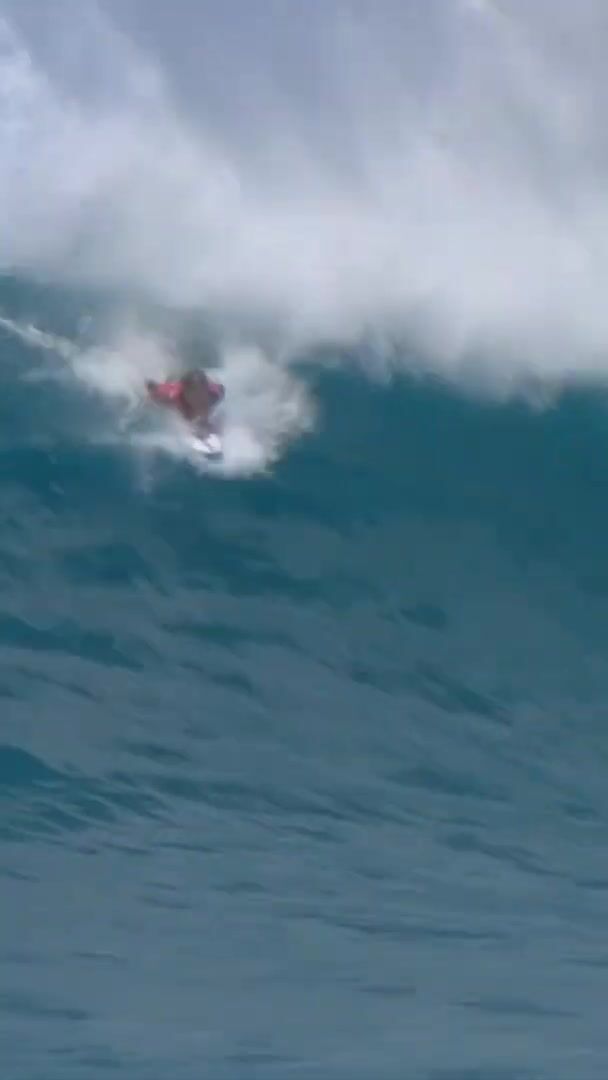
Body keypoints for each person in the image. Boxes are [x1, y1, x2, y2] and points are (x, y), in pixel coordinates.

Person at [146, 370, 225, 433]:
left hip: (201, 385)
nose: (198, 398)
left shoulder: (214, 395)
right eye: (194, 395)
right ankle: (172, 377)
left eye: (201, 393)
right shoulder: (174, 397)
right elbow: (152, 390)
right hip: (174, 389)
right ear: (185, 392)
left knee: (203, 415)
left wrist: (207, 423)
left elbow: (209, 410)